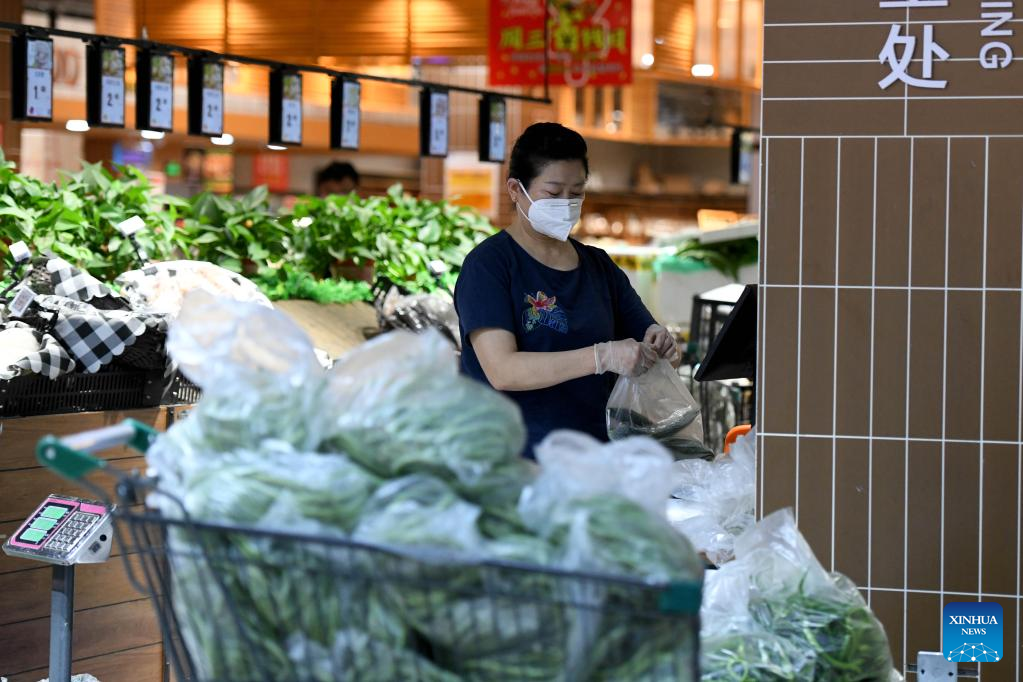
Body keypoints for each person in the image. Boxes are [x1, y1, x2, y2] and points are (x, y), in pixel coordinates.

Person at [454, 122, 680, 459]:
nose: (567, 203)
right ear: (515, 189)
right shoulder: (489, 266)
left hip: (593, 456)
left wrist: (660, 344)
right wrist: (601, 357)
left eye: (576, 193)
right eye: (553, 192)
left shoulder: (598, 266)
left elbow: (649, 339)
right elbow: (503, 371)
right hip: (513, 460)